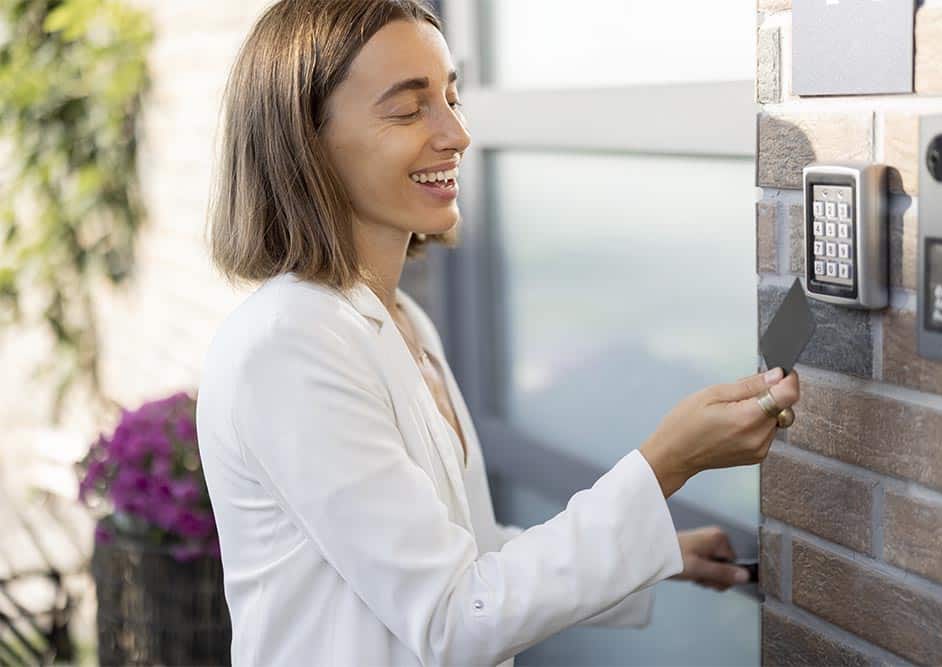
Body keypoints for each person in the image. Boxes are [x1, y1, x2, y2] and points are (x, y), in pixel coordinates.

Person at [195, 1, 801, 665]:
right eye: (409, 108)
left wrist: (659, 549)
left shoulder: (402, 323)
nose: (455, 132)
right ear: (304, 142)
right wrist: (666, 464)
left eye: (452, 96)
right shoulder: (287, 345)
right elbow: (456, 615)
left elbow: (466, 551)